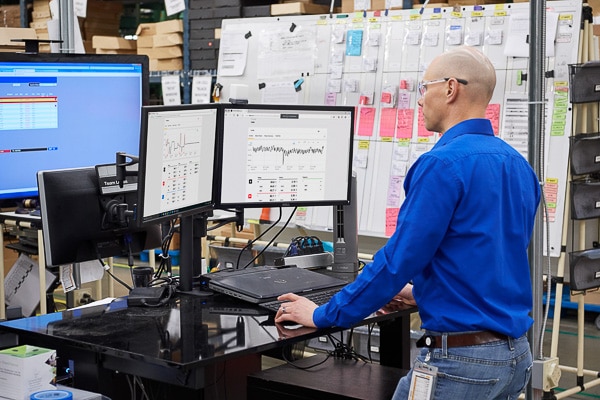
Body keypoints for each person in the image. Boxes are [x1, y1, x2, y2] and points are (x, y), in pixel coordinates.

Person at [275, 46, 541, 400]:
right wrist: (420, 294)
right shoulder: (518, 165)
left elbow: (397, 261)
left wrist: (323, 314)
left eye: (423, 87)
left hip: (461, 363)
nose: (419, 100)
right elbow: (487, 264)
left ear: (450, 89)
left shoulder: (442, 165)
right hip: (514, 359)